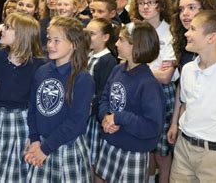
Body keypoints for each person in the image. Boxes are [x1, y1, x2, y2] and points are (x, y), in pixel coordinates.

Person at [0, 12, 45, 182]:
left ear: (21, 35)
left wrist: (33, 136)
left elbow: (36, 104)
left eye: (8, 27)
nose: (2, 30)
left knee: (21, 172)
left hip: (24, 121)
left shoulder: (38, 64)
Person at [26, 16, 94, 182]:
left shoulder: (82, 78)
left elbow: (76, 122)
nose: (50, 45)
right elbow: (33, 108)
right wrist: (35, 139)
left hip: (65, 147)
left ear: (74, 44)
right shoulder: (42, 71)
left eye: (57, 41)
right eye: (49, 39)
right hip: (40, 145)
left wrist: (45, 148)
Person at [95, 21, 166, 183]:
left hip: (133, 151)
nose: (116, 43)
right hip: (111, 144)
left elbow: (152, 127)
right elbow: (105, 98)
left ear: (136, 46)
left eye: (121, 40)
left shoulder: (149, 84)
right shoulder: (117, 70)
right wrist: (106, 116)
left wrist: (118, 117)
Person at [170, 11, 216, 182]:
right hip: (184, 148)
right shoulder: (188, 69)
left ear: (211, 38)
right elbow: (186, 104)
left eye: (193, 29)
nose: (186, 32)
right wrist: (177, 125)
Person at [130, 0, 177, 182]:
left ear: (160, 4)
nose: (145, 7)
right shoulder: (131, 29)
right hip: (135, 91)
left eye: (150, 2)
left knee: (162, 153)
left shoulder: (171, 32)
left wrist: (139, 67)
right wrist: (152, 69)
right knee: (143, 147)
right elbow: (125, 64)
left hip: (162, 94)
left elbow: (166, 77)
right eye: (141, 3)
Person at [166, 0, 216, 148]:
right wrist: (174, 122)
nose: (184, 13)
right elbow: (183, 88)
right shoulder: (186, 46)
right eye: (181, 9)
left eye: (191, 7)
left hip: (213, 136)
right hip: (188, 129)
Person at [85, 18, 118, 182]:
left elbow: (103, 91)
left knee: (94, 159)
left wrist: (89, 107)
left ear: (105, 37)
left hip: (94, 117)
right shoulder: (89, 54)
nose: (87, 37)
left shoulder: (108, 60)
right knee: (87, 158)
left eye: (91, 34)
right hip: (85, 115)